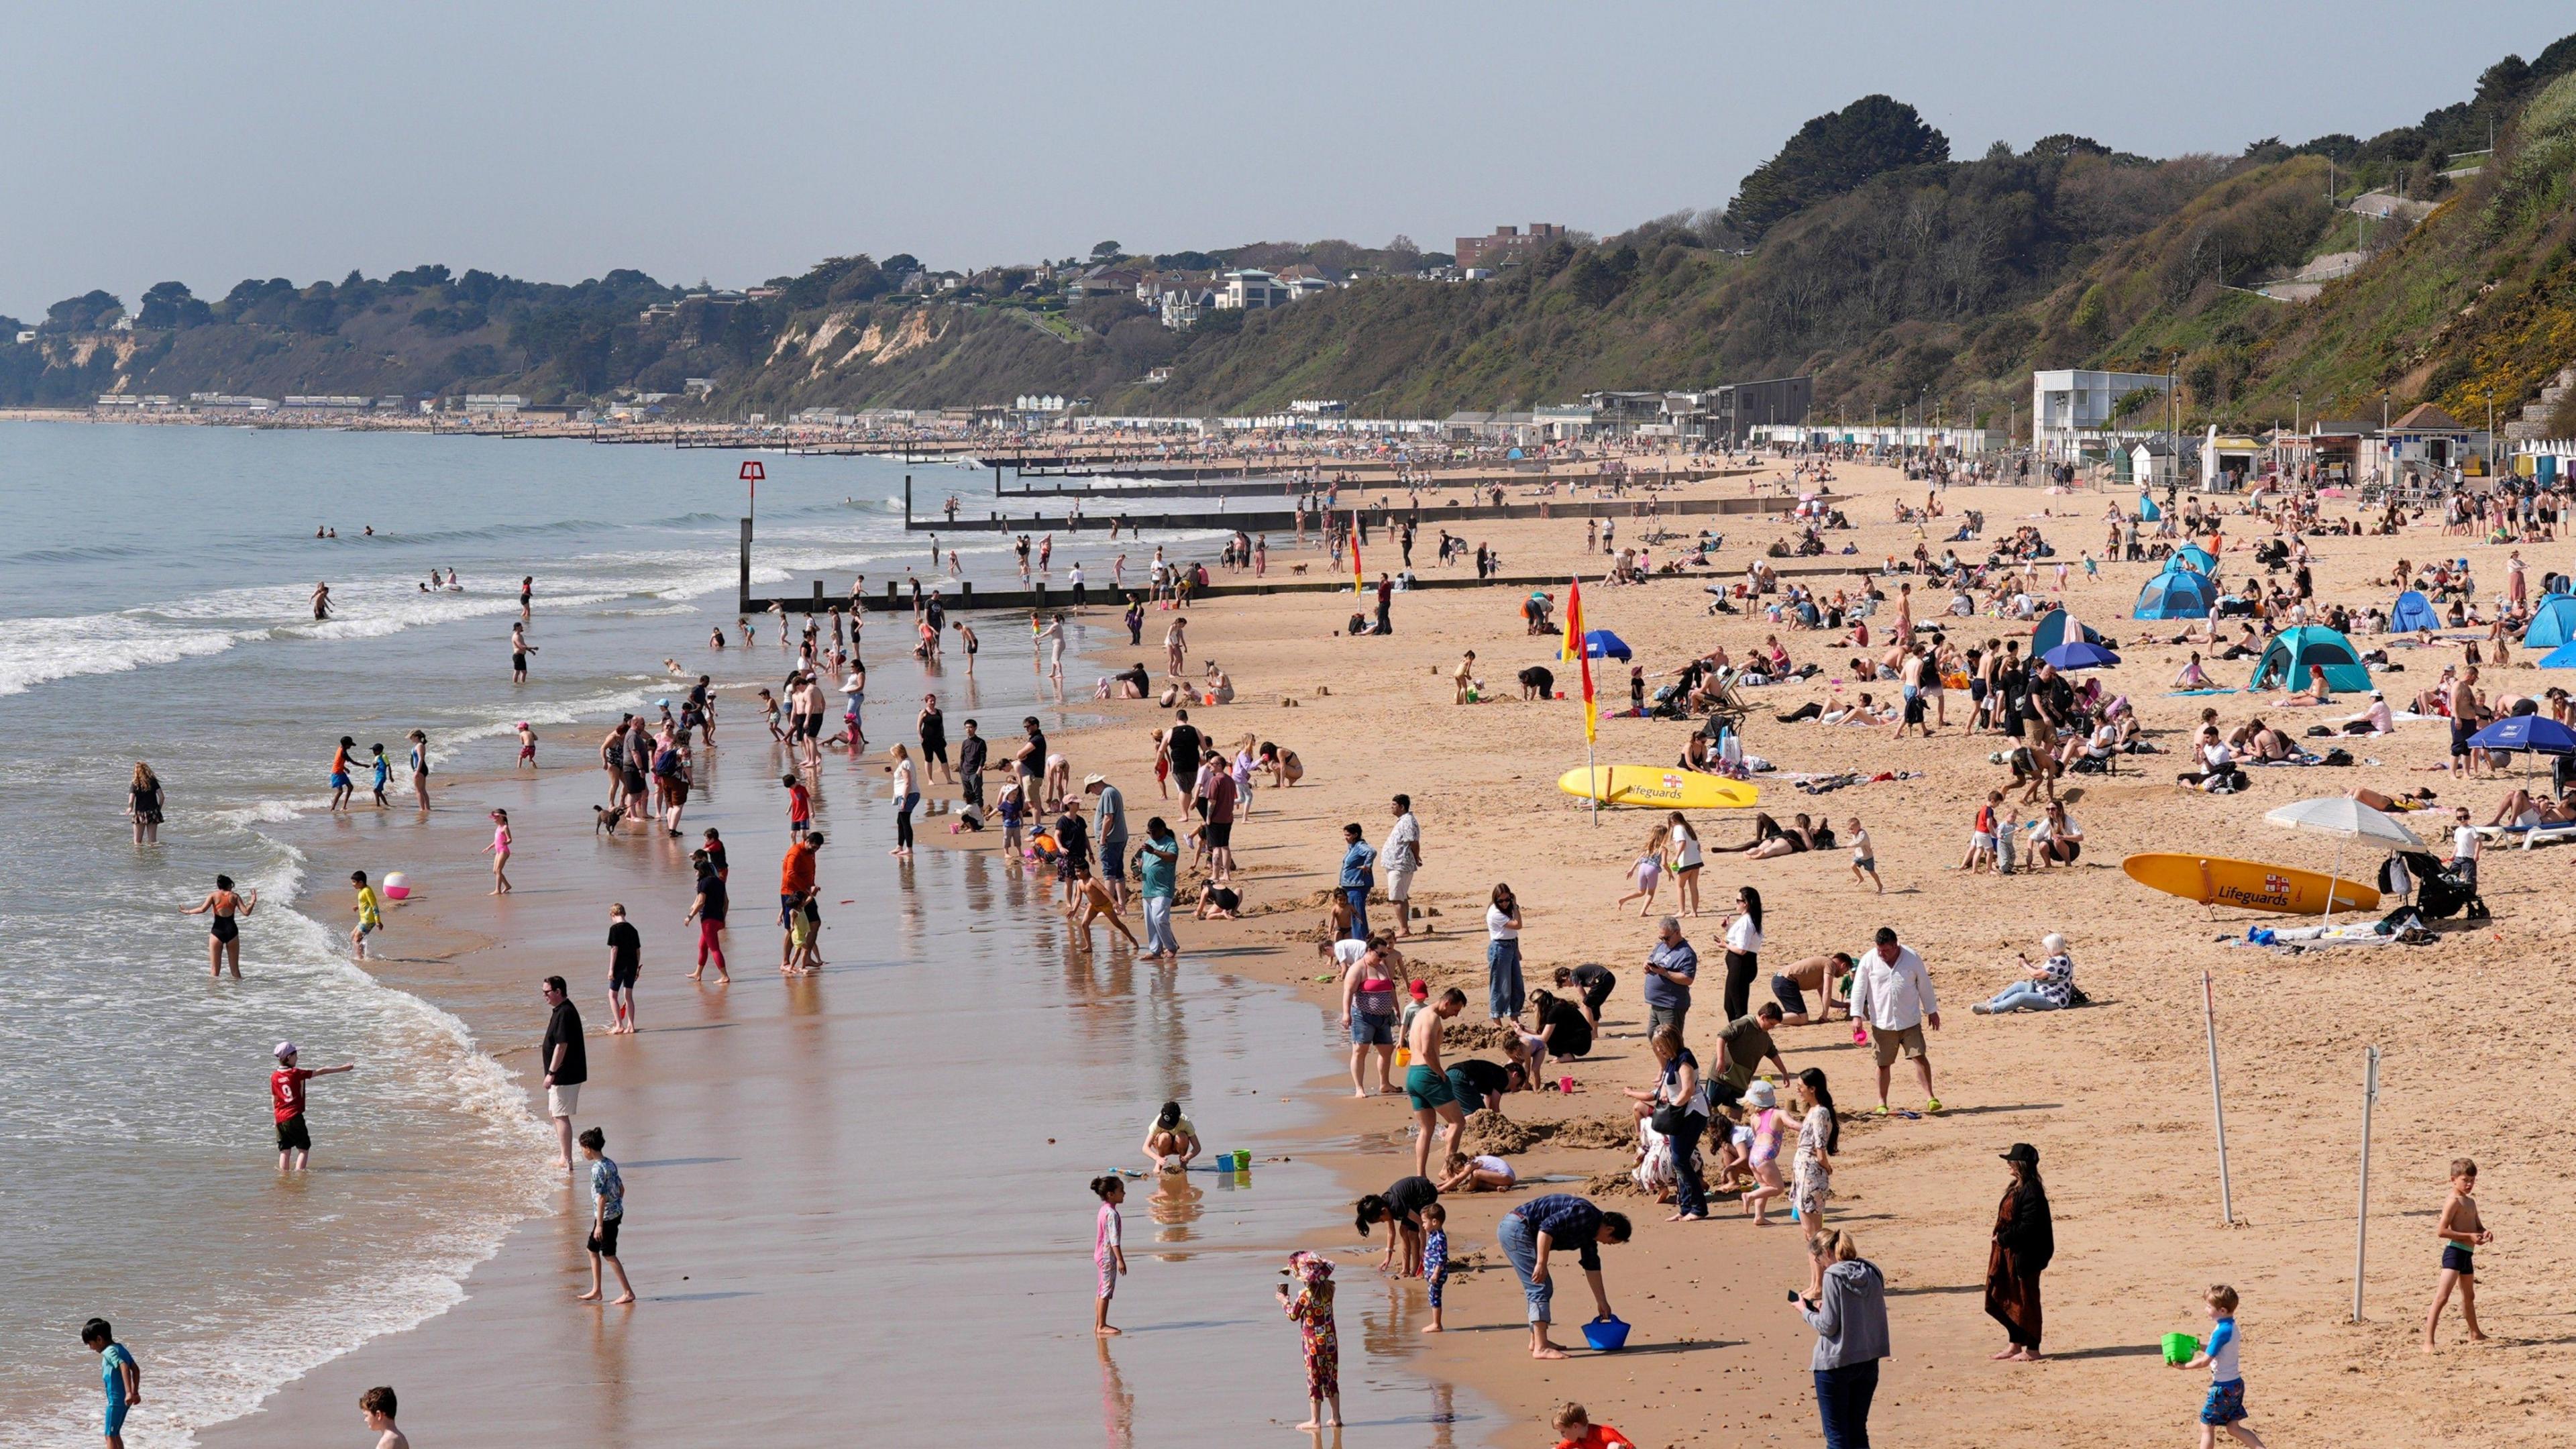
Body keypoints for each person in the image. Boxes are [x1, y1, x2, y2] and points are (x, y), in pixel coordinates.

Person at [1496, 1193, 1630, 1360]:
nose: (1606, 1244)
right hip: (1516, 1228)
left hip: (1519, 1229)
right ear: (1610, 1230)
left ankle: (1536, 1341)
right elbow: (1547, 1227)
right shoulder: (1585, 1213)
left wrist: (1601, 1302)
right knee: (1540, 1286)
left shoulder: (1590, 1231)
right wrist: (1541, 1263)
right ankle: (1541, 1347)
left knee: (1543, 1287)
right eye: (1610, 1242)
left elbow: (1592, 1265)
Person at [1796, 1230, 1890, 1449]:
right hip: (1868, 1361)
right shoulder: (1872, 1270)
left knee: (1838, 1437)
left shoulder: (1833, 1275)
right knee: (1858, 1431)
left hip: (1835, 1364)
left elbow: (1828, 1327)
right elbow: (1863, 1307)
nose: (1821, 1265)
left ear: (1827, 1253)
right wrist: (1826, 1307)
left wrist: (1804, 1311)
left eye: (1819, 1260)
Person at [1849, 927, 1941, 1114]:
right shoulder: (1869, 960)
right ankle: (1882, 1102)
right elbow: (1858, 989)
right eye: (1879, 950)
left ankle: (1931, 1097)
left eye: (1886, 950)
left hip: (1910, 1020)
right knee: (1883, 1064)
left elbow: (1924, 984)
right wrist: (1857, 1016)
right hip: (1882, 1022)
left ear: (1895, 945)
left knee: (1919, 1057)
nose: (1882, 954)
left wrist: (1931, 1010)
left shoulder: (1912, 957)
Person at [1625, 1025, 1708, 1220]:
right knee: (1679, 1162)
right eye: (1657, 1047)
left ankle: (1699, 1208)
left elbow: (1688, 1091)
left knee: (1680, 1160)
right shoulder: (1671, 1061)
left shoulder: (1684, 1058)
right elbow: (1666, 1089)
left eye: (1662, 1046)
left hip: (1692, 1113)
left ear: (1673, 1042)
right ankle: (1685, 1208)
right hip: (1680, 1115)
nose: (1660, 1050)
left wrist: (1671, 1110)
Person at [2172, 1283, 2266, 1448]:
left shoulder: (2220, 1331)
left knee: (2206, 1427)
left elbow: (2205, 1361)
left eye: (2209, 1306)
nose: (2205, 1310)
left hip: (2222, 1388)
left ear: (2222, 1310)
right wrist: (2197, 1345)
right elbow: (2219, 1348)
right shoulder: (2231, 1326)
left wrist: (2184, 1366)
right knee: (2233, 1427)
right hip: (2236, 1385)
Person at [1986, 1142, 2053, 1362]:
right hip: (2011, 1254)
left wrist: (2003, 1238)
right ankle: (2015, 1344)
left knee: (2027, 1301)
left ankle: (2032, 1349)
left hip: (2026, 1256)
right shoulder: (2020, 1186)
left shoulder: (2031, 1191)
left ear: (2021, 1165)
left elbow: (2029, 1227)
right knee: (2010, 1298)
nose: (2008, 1164)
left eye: (2011, 1161)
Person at [2424, 1157, 2491, 1348]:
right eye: (2465, 1180)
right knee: (2442, 1297)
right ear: (2453, 1180)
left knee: (2469, 1297)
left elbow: (2478, 1227)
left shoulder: (2470, 1202)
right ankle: (2428, 1341)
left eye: (2472, 1180)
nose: (2469, 1184)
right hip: (2454, 1253)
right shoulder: (2453, 1201)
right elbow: (2441, 1231)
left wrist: (2484, 1232)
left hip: (2467, 1255)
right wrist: (2468, 1236)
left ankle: (2475, 1333)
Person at [1404, 987, 1470, 1177]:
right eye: (1455, 1010)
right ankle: (1447, 1171)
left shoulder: (1420, 1014)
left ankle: (1421, 1176)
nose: (1455, 1015)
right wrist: (1441, 1073)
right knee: (1457, 1122)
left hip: (1413, 1075)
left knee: (1427, 1128)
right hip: (1427, 1074)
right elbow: (1427, 1051)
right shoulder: (1432, 1018)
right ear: (1447, 1003)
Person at [1275, 1251, 1342, 1430]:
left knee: (1314, 1379)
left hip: (1312, 1343)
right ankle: (1336, 1417)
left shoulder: (1305, 1294)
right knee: (1331, 1378)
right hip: (1330, 1340)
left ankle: (1315, 1420)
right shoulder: (1330, 1289)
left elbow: (1293, 1315)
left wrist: (1284, 1301)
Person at [270, 1040, 354, 1171]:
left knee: (285, 1149)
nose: (297, 1057)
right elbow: (321, 1071)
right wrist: (344, 1068)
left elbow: (274, 1098)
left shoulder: (274, 1076)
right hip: (294, 1116)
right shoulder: (296, 1073)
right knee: (304, 1148)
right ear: (289, 1057)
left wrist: (275, 1118)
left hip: (280, 1118)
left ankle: (284, 1176)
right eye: (296, 1055)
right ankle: (299, 1175)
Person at [1338, 932, 1402, 1097]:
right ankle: (1359, 1088)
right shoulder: (1358, 968)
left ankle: (1385, 1084)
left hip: (1384, 1017)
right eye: (1379, 954)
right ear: (1369, 950)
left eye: (1385, 955)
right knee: (1360, 1050)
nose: (1382, 958)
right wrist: (1346, 1014)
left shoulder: (1382, 967)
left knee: (1387, 1050)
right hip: (1363, 1016)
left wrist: (1396, 1007)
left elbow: (1391, 988)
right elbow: (1348, 992)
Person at [577, 1126, 635, 1305]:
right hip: (614, 1213)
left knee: (609, 1253)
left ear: (588, 1148)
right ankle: (597, 1290)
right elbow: (621, 1188)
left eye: (581, 1148)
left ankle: (628, 1292)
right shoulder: (610, 1163)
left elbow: (601, 1197)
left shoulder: (596, 1170)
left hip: (606, 1218)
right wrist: (617, 1205)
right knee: (592, 1249)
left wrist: (600, 1224)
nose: (582, 1152)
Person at [539, 975, 587, 1169]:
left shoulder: (565, 1012)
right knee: (556, 1113)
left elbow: (562, 1045)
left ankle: (566, 1160)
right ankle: (564, 1155)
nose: (544, 996)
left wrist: (551, 1072)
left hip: (565, 1074)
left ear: (558, 992)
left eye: (547, 992)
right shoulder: (561, 1010)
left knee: (560, 1115)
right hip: (563, 1073)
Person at [1355, 1173, 1440, 1276]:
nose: (1384, 1222)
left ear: (1384, 1211)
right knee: (1403, 1230)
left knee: (1412, 1233)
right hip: (1413, 1198)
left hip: (1426, 1193)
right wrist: (1388, 1257)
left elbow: (1421, 1223)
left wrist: (1423, 1247)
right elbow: (1391, 1233)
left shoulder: (1396, 1206)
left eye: (1382, 1220)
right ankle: (1405, 1269)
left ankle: (1416, 1269)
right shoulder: (1384, 1204)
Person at [1974, 934, 2077, 1014]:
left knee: (2021, 997)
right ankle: (1992, 1001)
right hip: (2046, 992)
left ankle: (1992, 1008)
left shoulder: (2058, 961)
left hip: (2053, 1000)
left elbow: (2037, 975)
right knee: (2019, 985)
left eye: (2046, 948)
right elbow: (2045, 973)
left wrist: (2024, 965)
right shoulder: (2062, 958)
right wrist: (2028, 964)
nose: (2046, 951)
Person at [182, 874, 258, 979]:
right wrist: (252, 901)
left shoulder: (213, 896)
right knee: (235, 972)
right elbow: (246, 913)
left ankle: (214, 995)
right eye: (231, 886)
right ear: (228, 885)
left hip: (217, 932)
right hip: (232, 932)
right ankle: (238, 995)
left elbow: (202, 909)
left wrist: (187, 911)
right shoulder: (235, 896)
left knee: (214, 971)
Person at [1792, 1068, 1839, 1232]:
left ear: (1812, 1089)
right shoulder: (1813, 1110)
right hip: (1804, 1173)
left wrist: (1826, 1167)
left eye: (1801, 1087)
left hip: (1811, 1174)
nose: (1798, 1090)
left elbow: (1820, 1148)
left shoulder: (1819, 1112)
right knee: (1809, 1230)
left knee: (1813, 1232)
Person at [83, 1318, 141, 1449]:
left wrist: (128, 1393)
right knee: (115, 1434)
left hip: (116, 1401)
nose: (91, 1348)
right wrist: (134, 1392)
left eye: (90, 1344)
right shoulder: (120, 1348)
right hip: (124, 1402)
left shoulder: (108, 1351)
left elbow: (124, 1366)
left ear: (99, 1339)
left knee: (109, 1435)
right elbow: (136, 1369)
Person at [1642, 916, 1699, 1041]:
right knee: (1653, 1036)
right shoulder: (1661, 946)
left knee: (1670, 1042)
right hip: (1656, 1004)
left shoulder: (1686, 953)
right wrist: (1646, 965)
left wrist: (1666, 973)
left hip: (1671, 1005)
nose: (1664, 941)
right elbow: (1650, 960)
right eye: (1661, 938)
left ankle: (1678, 1062)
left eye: (1667, 938)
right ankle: (1665, 1062)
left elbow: (1688, 979)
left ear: (1677, 933)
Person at [1137, 816, 1181, 961]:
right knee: (1150, 922)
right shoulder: (1148, 843)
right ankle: (1155, 951)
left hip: (1163, 889)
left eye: (1154, 832)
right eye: (1149, 832)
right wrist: (1139, 867)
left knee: (1160, 919)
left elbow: (1172, 857)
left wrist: (1154, 851)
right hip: (1148, 888)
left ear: (1162, 830)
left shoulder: (1170, 843)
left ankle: (1172, 947)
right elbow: (1144, 862)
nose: (1151, 836)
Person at [682, 849, 729, 983]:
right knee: (702, 946)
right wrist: (723, 918)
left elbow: (701, 902)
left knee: (714, 949)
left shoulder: (703, 883)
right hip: (718, 918)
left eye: (696, 871)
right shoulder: (720, 882)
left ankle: (724, 976)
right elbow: (726, 902)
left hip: (708, 919)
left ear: (701, 871)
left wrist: (689, 917)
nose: (696, 874)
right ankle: (698, 973)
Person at [1090, 1174, 1128, 1336]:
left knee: (1101, 1290)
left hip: (1100, 1254)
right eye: (1121, 1190)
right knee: (1105, 1290)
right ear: (1110, 1194)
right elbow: (1114, 1240)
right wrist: (1120, 1260)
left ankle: (1098, 1324)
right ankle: (1101, 1326)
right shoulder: (1111, 1214)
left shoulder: (1104, 1210)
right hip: (1107, 1256)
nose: (1124, 1193)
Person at [1771, 952, 1853, 1025]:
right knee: (1802, 1018)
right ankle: (1769, 1018)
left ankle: (1770, 1015)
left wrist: (1845, 1005)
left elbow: (1827, 1000)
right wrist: (1825, 1016)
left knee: (1795, 1015)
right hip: (1786, 981)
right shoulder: (1830, 965)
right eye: (1846, 971)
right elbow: (1827, 991)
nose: (1843, 975)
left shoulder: (1821, 969)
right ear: (1844, 965)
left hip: (1780, 980)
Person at [1721, 885, 1765, 1019]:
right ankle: (1738, 1035)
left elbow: (1742, 950)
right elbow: (1741, 941)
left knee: (1737, 1008)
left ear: (1745, 903)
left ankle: (1741, 1037)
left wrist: (1725, 945)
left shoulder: (1747, 921)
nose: (1736, 904)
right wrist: (1728, 928)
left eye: (1738, 901)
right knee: (1730, 1006)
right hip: (1742, 966)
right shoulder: (1750, 919)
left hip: (1741, 966)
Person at [1382, 794, 1422, 937]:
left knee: (1397, 898)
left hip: (1400, 864)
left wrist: (1417, 857)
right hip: (1396, 864)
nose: (1391, 808)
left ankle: (1403, 929)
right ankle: (1404, 927)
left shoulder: (1408, 822)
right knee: (1401, 897)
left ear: (1402, 807)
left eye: (1394, 805)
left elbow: (1414, 842)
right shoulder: (1403, 821)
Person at [1087, 774, 1130, 910]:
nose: (1093, 794)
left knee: (1109, 873)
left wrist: (1102, 838)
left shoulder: (1107, 793)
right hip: (1118, 838)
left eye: (1091, 790)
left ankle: (1108, 907)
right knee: (1118, 873)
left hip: (1111, 840)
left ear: (1094, 785)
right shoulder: (1111, 791)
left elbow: (1108, 817)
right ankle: (1121, 906)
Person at [1485, 882, 1524, 1022]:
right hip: (1500, 949)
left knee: (1517, 985)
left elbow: (1513, 932)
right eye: (1500, 901)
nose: (1504, 903)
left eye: (1507, 900)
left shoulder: (1509, 910)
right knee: (1501, 986)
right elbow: (1517, 925)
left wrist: (1517, 950)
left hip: (1511, 946)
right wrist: (1515, 906)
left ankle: (1514, 1017)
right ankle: (1497, 1020)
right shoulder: (1495, 912)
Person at [1338, 823, 1377, 938]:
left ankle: (1361, 938)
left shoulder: (1360, 846)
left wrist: (1367, 865)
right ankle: (1357, 937)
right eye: (1345, 835)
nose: (1346, 838)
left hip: (1357, 885)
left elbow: (1372, 852)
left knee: (1357, 914)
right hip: (1350, 885)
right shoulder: (1352, 847)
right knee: (1352, 914)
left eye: (1348, 835)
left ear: (1355, 835)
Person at [1141, 1099, 1200, 1173]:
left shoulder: (1186, 1122)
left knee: (1182, 1136)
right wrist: (1157, 1158)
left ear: (1179, 1116)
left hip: (1178, 1147)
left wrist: (1188, 1157)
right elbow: (1145, 1148)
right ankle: (1159, 1164)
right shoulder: (1157, 1122)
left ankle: (1183, 1163)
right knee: (1164, 1137)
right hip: (1163, 1147)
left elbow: (1197, 1147)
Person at [1551, 1402, 1635, 1449]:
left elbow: (1631, 1447)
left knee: (1613, 1447)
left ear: (1575, 1426)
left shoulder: (1604, 1434)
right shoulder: (1575, 1438)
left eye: (1563, 1432)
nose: (1562, 1436)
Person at [888, 743, 918, 859]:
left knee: (905, 821)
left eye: (894, 755)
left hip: (909, 794)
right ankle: (899, 846)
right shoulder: (905, 763)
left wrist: (904, 800)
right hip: (905, 794)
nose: (894, 758)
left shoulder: (905, 763)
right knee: (900, 821)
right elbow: (902, 779)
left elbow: (907, 782)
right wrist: (892, 773)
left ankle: (909, 848)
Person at [348, 869, 382, 960]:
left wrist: (378, 921)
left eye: (354, 882)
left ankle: (361, 959)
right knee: (352, 935)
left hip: (368, 921)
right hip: (364, 920)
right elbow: (365, 903)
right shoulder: (362, 890)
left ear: (361, 882)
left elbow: (374, 906)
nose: (353, 884)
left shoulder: (367, 891)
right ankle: (363, 952)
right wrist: (358, 907)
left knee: (356, 939)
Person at [360, 1385, 409, 1449]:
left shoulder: (386, 1443)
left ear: (378, 1415)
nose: (365, 1420)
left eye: (366, 1416)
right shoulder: (401, 1438)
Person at [127, 762, 164, 845]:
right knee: (153, 841)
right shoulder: (153, 781)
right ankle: (153, 857)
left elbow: (131, 800)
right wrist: (159, 809)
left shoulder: (135, 784)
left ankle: (139, 857)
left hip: (140, 813)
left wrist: (130, 807)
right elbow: (162, 797)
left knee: (137, 841)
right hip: (153, 812)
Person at [1847, 816, 1882, 893]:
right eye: (1850, 829)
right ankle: (1860, 878)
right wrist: (1849, 844)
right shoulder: (1854, 834)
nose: (1851, 831)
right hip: (1858, 856)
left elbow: (1859, 843)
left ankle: (1880, 885)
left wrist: (1850, 845)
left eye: (1852, 829)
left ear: (1859, 827)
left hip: (1867, 857)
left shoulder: (1863, 834)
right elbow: (1854, 841)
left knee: (1872, 872)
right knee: (1853, 866)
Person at [484, 808, 514, 894]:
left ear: (502, 817)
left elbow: (510, 839)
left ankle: (498, 890)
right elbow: (496, 841)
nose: (494, 819)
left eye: (496, 817)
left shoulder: (505, 827)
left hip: (504, 851)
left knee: (498, 870)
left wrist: (506, 842)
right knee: (495, 871)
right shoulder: (498, 828)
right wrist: (488, 848)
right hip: (498, 851)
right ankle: (507, 886)